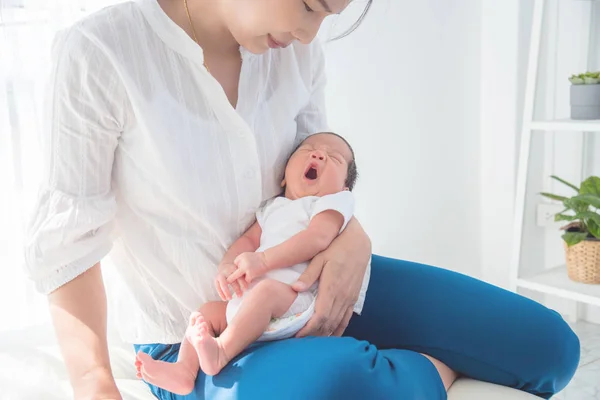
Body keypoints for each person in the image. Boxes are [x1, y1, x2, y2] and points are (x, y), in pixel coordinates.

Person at [24, 0, 579, 399]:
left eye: (329, 16)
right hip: (201, 334)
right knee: (337, 381)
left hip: (317, 281)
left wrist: (350, 244)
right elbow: (68, 244)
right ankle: (433, 370)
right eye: (311, 7)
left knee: (551, 346)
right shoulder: (101, 53)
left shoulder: (291, 53)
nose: (311, 36)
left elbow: (324, 181)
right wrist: (94, 382)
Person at [136, 132, 363, 392]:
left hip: (295, 301)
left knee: (266, 292)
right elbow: (247, 241)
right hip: (250, 305)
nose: (318, 154)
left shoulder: (331, 204)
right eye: (308, 148)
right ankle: (184, 370)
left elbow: (317, 238)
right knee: (206, 312)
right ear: (283, 176)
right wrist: (226, 266)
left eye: (333, 158)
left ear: (344, 188)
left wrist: (264, 260)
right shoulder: (272, 209)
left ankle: (220, 352)